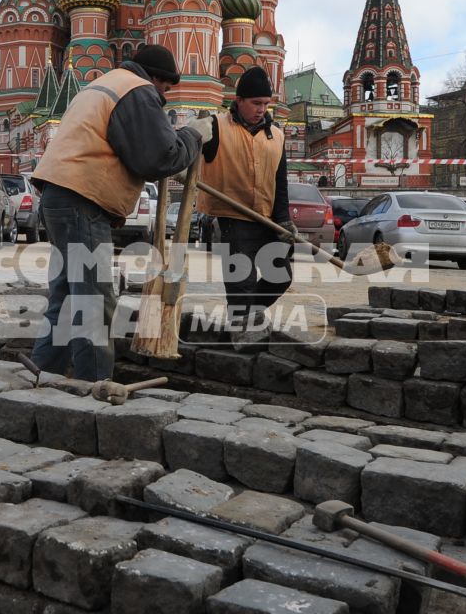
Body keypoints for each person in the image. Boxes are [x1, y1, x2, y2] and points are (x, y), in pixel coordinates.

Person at [29, 42, 204, 381]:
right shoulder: (138, 91)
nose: (164, 96)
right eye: (165, 89)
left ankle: (43, 376)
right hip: (82, 198)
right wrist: (191, 137)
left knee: (67, 295)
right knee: (94, 300)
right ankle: (94, 388)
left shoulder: (105, 83)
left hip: (59, 194)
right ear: (155, 78)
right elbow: (157, 159)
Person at [197, 66, 292, 327]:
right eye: (255, 103)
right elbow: (186, 151)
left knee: (280, 276)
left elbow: (279, 181)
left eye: (265, 103)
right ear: (239, 101)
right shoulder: (216, 126)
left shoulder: (277, 136)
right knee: (243, 281)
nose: (261, 109)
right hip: (231, 217)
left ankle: (246, 317)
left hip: (265, 217)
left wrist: (284, 220)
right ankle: (242, 327)